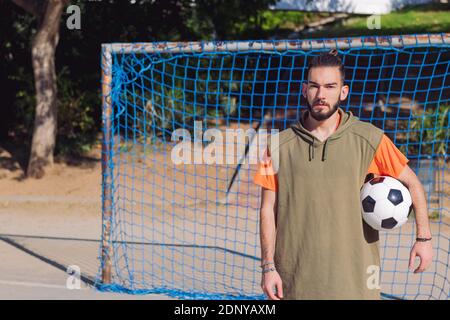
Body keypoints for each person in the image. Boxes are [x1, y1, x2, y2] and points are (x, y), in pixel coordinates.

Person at [254, 50, 434, 300]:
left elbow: (413, 184)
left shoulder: (369, 139)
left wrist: (423, 239)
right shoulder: (277, 146)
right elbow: (267, 210)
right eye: (315, 86)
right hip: (294, 284)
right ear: (304, 90)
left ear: (343, 92)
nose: (321, 95)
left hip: (355, 286)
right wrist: (268, 267)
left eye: (330, 86)